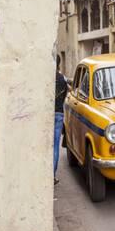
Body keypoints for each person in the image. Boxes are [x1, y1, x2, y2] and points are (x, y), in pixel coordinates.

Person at [53, 55, 67, 184]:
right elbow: (64, 97)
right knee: (55, 146)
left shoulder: (47, 78)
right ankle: (52, 175)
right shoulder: (62, 79)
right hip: (58, 113)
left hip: (48, 114)